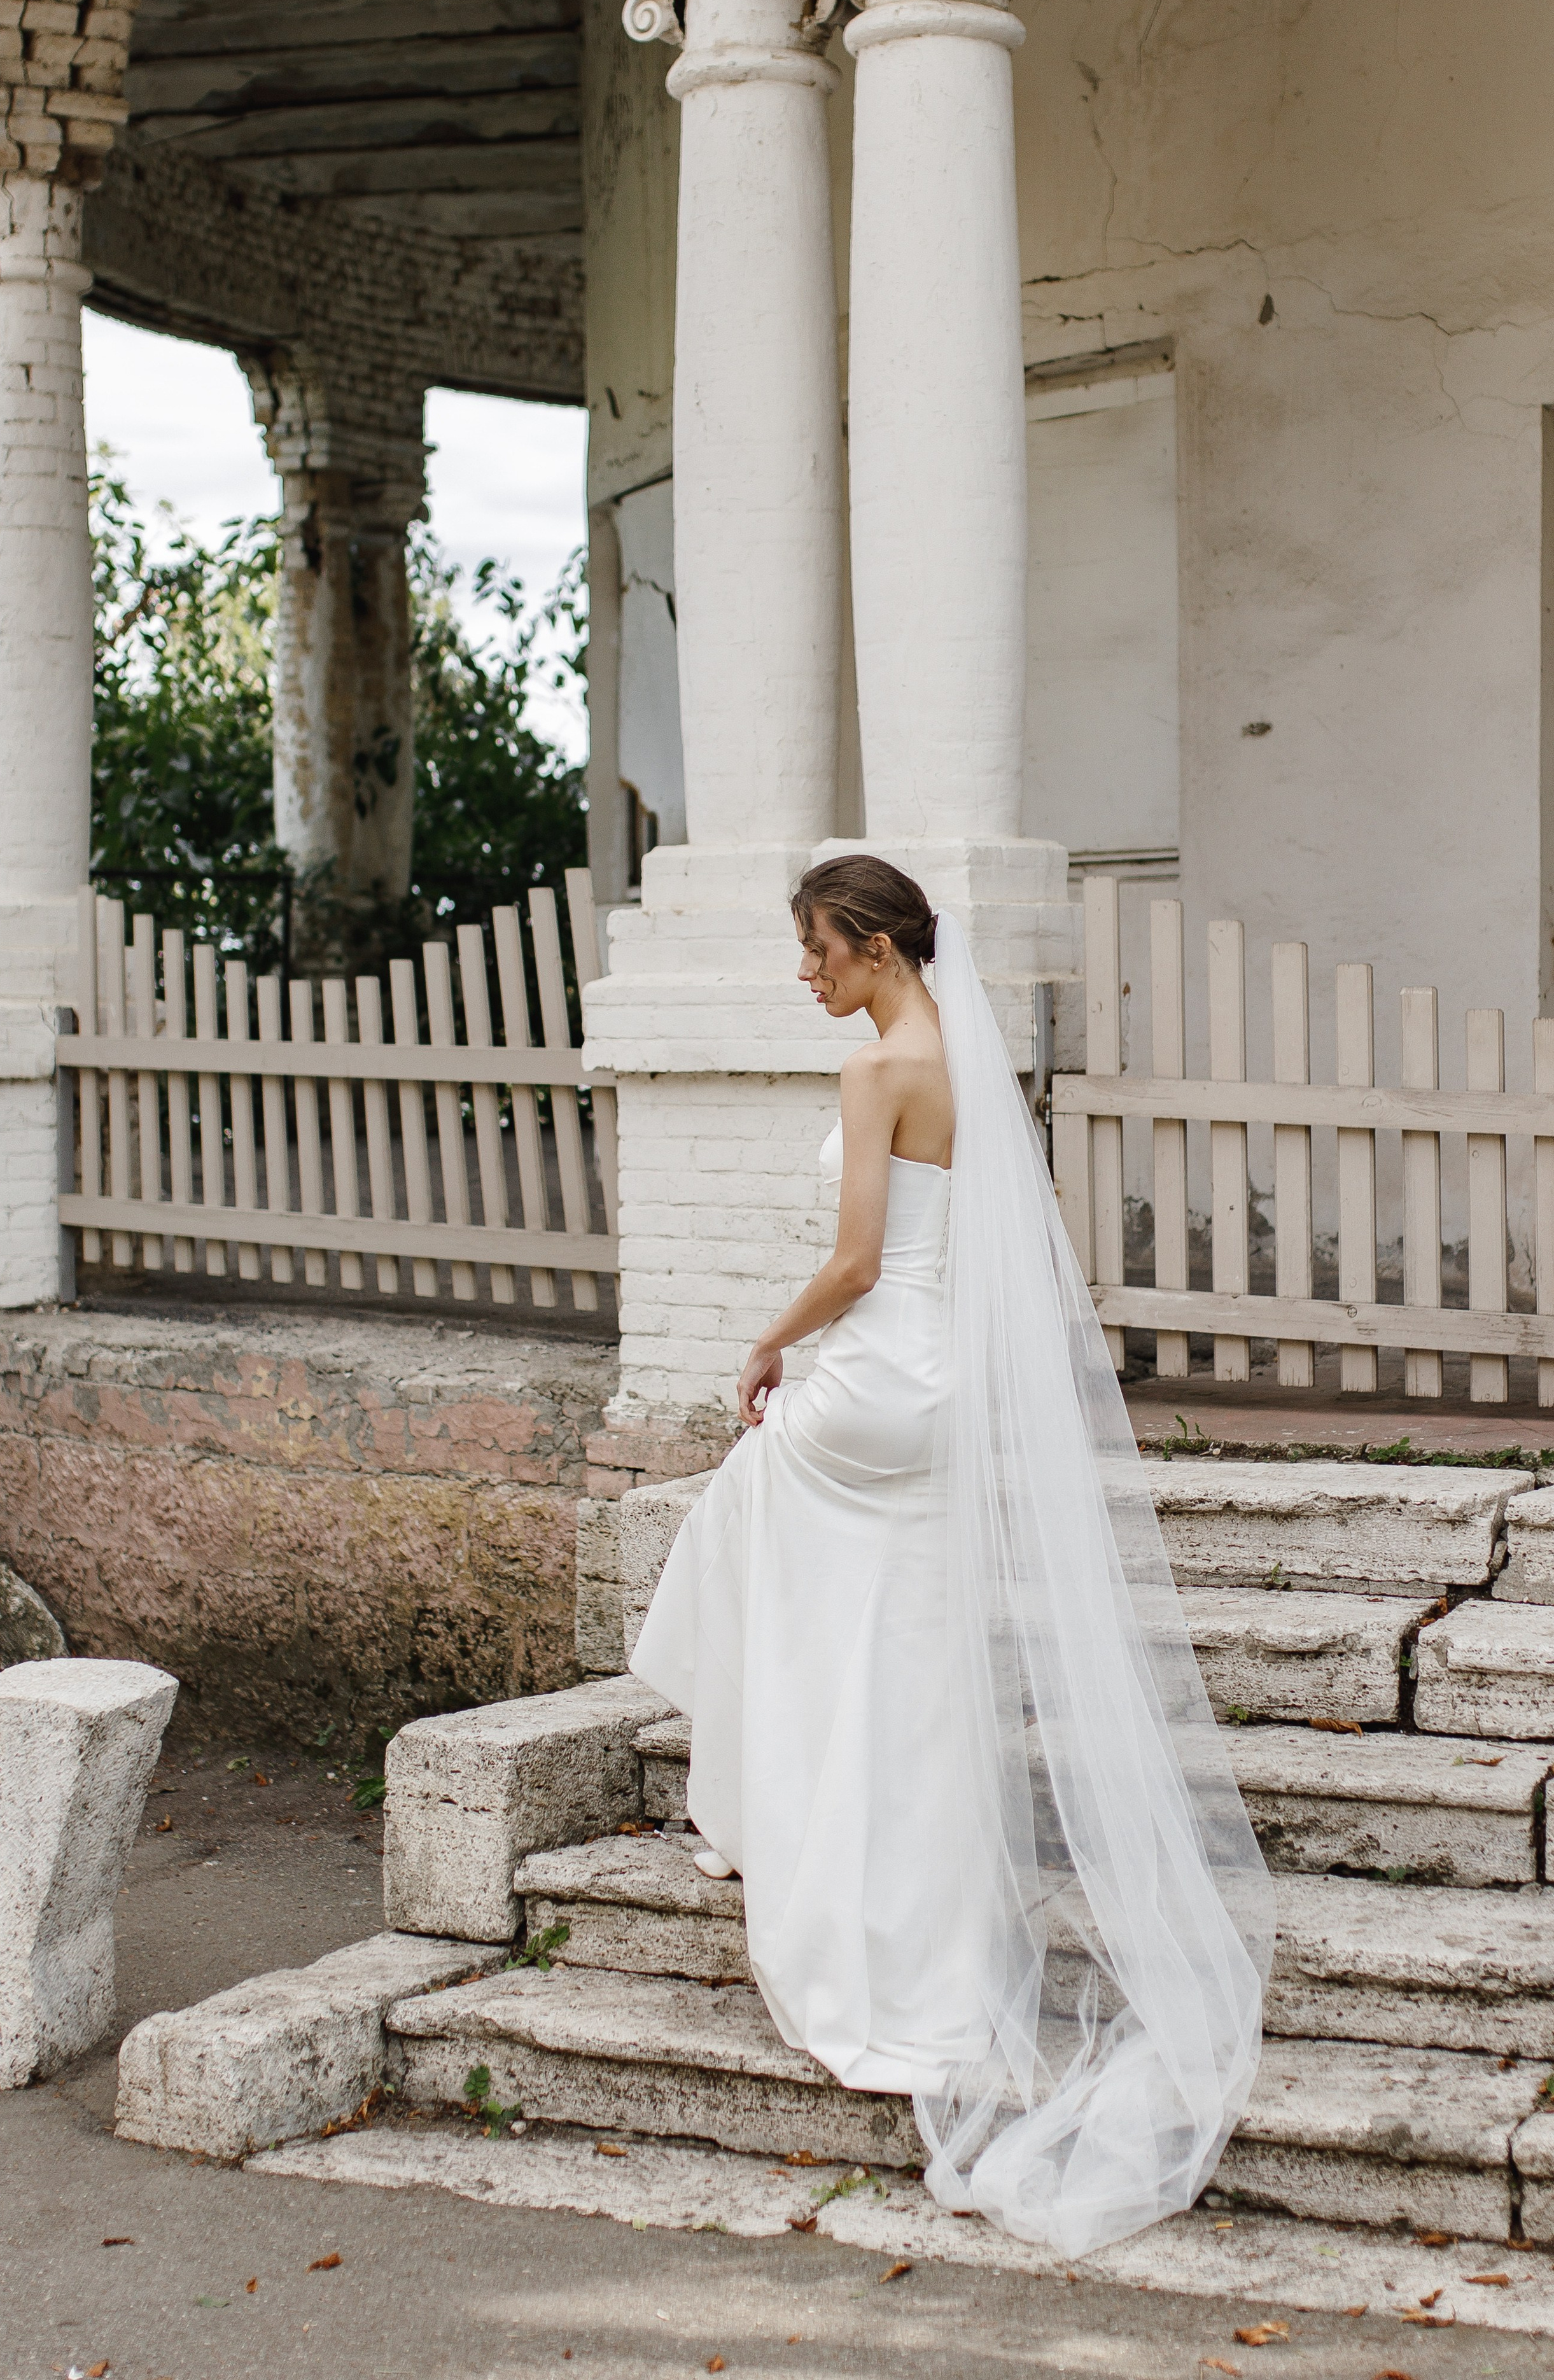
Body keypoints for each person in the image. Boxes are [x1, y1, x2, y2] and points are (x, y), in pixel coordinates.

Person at [630, 854, 1273, 2257]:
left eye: (813, 950)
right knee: (895, 1653)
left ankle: (758, 1806)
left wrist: (764, 1343)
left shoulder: (878, 1074)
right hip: (936, 1390)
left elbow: (859, 1259)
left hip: (865, 1380)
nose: (803, 975)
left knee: (743, 1538)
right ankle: (864, 1877)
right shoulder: (962, 1056)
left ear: (869, 945)